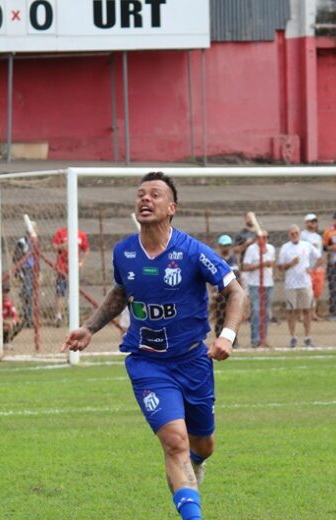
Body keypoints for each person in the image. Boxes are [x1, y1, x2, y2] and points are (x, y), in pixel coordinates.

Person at [62, 172, 246, 520]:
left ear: (171, 207)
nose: (145, 199)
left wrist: (227, 335)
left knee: (203, 445)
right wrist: (90, 327)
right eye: (141, 194)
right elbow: (121, 293)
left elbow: (236, 292)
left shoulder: (192, 252)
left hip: (193, 360)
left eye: (155, 195)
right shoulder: (124, 252)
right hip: (148, 363)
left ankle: (192, 466)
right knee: (175, 441)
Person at [277, 225, 322, 348]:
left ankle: (307, 337)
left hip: (305, 282)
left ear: (300, 233)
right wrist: (290, 264)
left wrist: (312, 268)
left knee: (307, 310)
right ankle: (293, 337)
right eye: (292, 233)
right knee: (291, 311)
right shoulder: (285, 248)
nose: (294, 235)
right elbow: (280, 267)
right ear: (289, 234)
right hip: (291, 284)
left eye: (296, 233)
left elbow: (320, 258)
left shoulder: (306, 245)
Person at [242, 231, 275, 348]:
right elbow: (245, 267)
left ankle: (263, 338)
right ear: (257, 238)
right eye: (261, 237)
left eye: (266, 237)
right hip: (255, 284)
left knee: (266, 313)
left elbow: (272, 265)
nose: (264, 240)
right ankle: (255, 339)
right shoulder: (251, 249)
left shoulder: (271, 249)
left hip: (268, 284)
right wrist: (261, 264)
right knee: (256, 311)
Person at [52, 225, 90, 327]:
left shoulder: (81, 234)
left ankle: (72, 316)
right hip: (62, 268)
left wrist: (81, 262)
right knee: (60, 292)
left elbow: (86, 249)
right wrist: (63, 245)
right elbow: (55, 246)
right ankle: (58, 316)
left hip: (74, 269)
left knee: (74, 292)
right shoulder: (61, 232)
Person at [211, 234, 240, 345]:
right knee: (220, 317)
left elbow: (239, 275)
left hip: (233, 293)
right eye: (224, 245)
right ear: (220, 246)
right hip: (220, 293)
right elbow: (211, 278)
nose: (226, 247)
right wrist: (213, 292)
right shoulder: (217, 260)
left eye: (228, 245)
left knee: (233, 316)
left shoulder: (234, 259)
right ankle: (219, 338)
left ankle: (233, 340)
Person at [300, 213, 325, 320]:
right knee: (305, 291)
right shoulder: (302, 235)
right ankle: (302, 314)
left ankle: (313, 313)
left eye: (315, 221)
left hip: (317, 268)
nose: (313, 223)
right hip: (307, 268)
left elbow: (320, 252)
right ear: (306, 223)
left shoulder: (318, 237)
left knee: (317, 292)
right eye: (311, 221)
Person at [13, 232, 36, 328]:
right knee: (27, 293)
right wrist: (19, 271)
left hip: (32, 270)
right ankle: (27, 317)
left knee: (30, 294)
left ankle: (28, 316)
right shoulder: (22, 242)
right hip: (25, 269)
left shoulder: (34, 241)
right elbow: (16, 257)